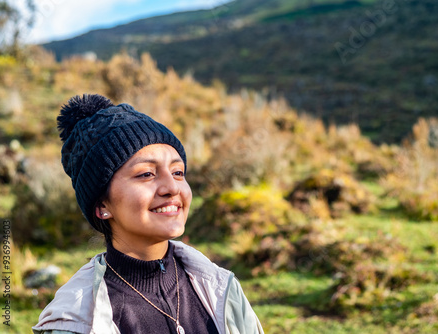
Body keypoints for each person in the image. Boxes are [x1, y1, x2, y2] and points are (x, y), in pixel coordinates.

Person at [32, 94, 264, 334]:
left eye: (177, 172)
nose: (172, 188)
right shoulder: (76, 322)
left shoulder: (221, 289)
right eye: (146, 174)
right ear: (102, 206)